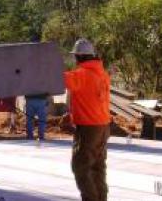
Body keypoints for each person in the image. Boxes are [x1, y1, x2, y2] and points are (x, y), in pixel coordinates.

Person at [64, 38, 111, 201]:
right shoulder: (102, 73)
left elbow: (58, 79)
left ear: (79, 57)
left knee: (81, 167)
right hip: (103, 126)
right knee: (98, 167)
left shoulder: (81, 74)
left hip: (89, 128)